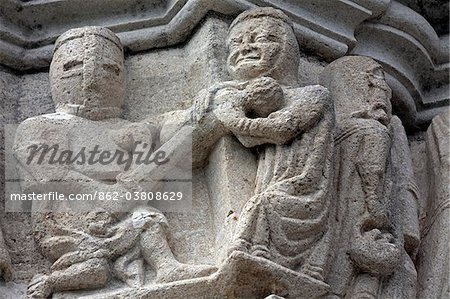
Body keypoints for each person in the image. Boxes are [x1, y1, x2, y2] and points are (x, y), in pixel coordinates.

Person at [13, 27, 215, 298]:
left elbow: (170, 128)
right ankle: (66, 275)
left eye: (109, 67)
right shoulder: (41, 125)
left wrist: (205, 104)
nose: (91, 76)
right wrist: (107, 195)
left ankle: (167, 268)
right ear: (55, 73)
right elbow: (51, 175)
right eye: (73, 65)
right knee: (96, 264)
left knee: (147, 219)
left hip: (122, 211)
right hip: (66, 218)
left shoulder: (127, 128)